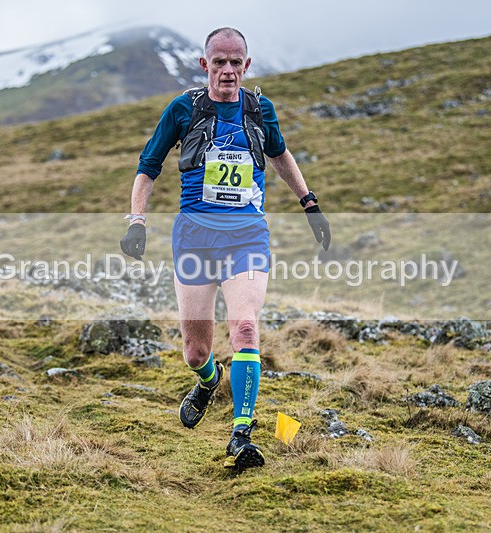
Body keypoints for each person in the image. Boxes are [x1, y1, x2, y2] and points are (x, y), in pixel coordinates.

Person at [120, 27, 330, 470]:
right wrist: (137, 221)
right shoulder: (183, 109)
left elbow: (280, 154)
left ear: (247, 66)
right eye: (220, 62)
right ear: (205, 65)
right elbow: (147, 168)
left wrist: (309, 203)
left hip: (247, 237)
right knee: (196, 352)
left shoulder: (260, 109)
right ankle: (208, 381)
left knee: (246, 329)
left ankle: (241, 432)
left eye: (237, 62)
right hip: (195, 238)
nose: (229, 70)